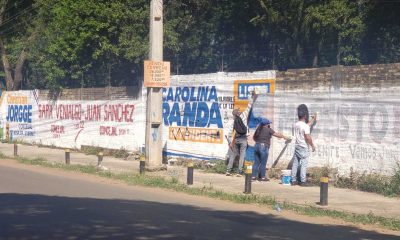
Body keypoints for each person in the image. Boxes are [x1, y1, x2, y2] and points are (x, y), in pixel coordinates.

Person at [290, 108, 317, 186]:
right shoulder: (305, 126)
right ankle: (303, 181)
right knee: (304, 164)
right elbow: (308, 137)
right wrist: (312, 146)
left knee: (295, 163)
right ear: (305, 116)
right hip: (303, 147)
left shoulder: (295, 124)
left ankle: (293, 180)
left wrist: (313, 119)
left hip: (297, 146)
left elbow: (307, 125)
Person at [226, 108, 248, 176]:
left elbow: (229, 133)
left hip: (236, 140)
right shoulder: (243, 120)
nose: (240, 111)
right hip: (243, 139)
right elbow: (247, 131)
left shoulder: (233, 122)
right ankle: (239, 172)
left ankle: (228, 171)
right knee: (242, 156)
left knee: (233, 155)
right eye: (239, 111)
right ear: (238, 114)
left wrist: (230, 142)